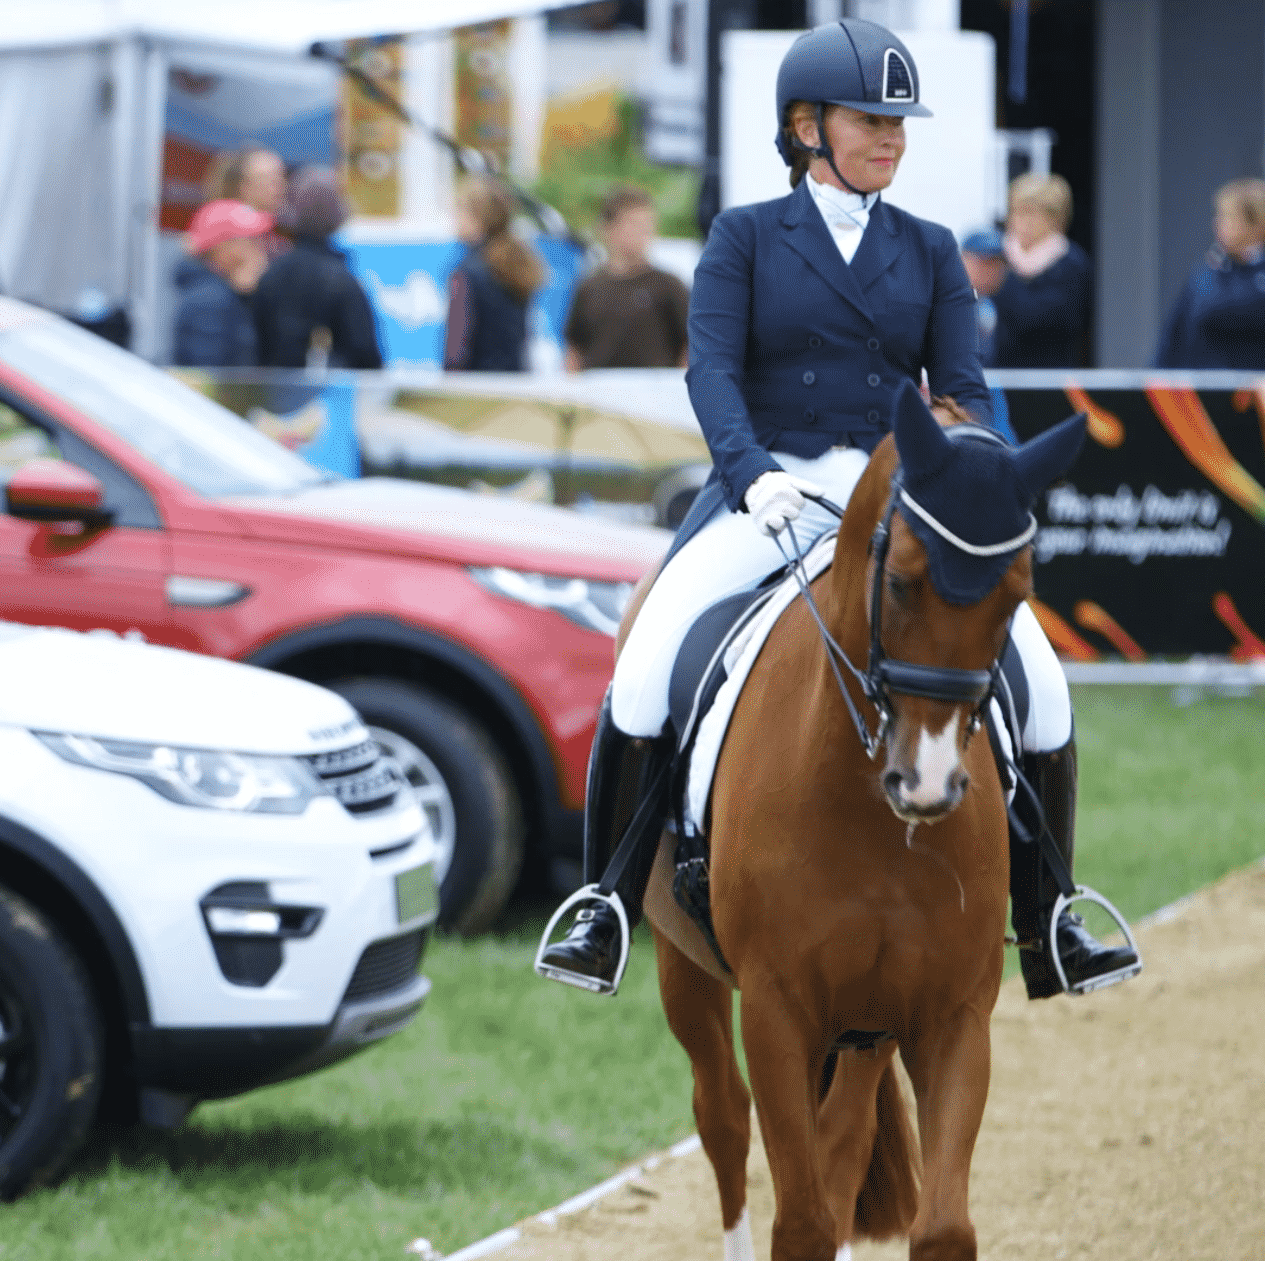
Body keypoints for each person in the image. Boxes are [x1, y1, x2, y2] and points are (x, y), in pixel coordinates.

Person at [538, 16, 1139, 1002]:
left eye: (899, 124)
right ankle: (604, 904)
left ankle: (1050, 916)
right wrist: (752, 471)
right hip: (762, 491)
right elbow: (713, 376)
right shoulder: (742, 237)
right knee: (644, 669)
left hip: (891, 497)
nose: (890, 140)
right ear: (806, 126)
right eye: (871, 120)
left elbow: (964, 385)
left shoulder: (932, 248)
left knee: (1040, 677)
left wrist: (970, 462)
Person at [1154, 177, 1265, 372]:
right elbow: (1174, 334)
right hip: (1199, 393)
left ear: (1258, 225)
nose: (1218, 224)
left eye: (1229, 217)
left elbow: (1217, 308)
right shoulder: (1209, 270)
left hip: (1254, 394)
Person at [252, 167, 384, 370]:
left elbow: (257, 345)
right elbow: (364, 352)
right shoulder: (339, 279)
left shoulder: (271, 273)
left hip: (275, 394)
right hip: (330, 396)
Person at [563, 185, 689, 371]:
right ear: (608, 228)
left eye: (647, 224)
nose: (642, 232)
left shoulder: (668, 286)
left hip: (654, 393)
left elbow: (691, 346)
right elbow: (575, 349)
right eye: (633, 224)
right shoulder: (589, 287)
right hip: (599, 392)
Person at [989, 172, 1092, 368]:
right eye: (1017, 212)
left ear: (1056, 220)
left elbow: (1034, 320)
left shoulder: (1071, 264)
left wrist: (1000, 281)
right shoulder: (998, 256)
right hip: (999, 377)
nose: (1022, 222)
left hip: (1050, 381)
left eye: (1032, 213)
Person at [443, 178, 544, 372]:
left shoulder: (467, 272)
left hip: (477, 386)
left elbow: (456, 350)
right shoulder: (517, 263)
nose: (455, 219)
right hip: (515, 380)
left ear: (477, 218)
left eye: (460, 212)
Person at [172, 199, 273, 368]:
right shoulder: (209, 301)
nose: (260, 248)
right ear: (222, 247)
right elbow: (209, 377)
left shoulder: (222, 293)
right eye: (251, 240)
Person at [959, 226, 1006, 367]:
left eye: (998, 264)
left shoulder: (998, 303)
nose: (992, 271)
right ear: (962, 260)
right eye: (985, 262)